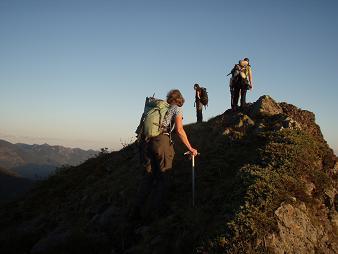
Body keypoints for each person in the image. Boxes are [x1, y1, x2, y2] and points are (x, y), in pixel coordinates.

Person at [132, 89, 198, 221]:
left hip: (145, 143)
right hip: (161, 142)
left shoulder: (158, 108)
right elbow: (179, 130)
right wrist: (190, 148)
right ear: (179, 100)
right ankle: (155, 214)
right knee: (164, 177)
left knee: (148, 177)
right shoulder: (176, 109)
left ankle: (136, 211)